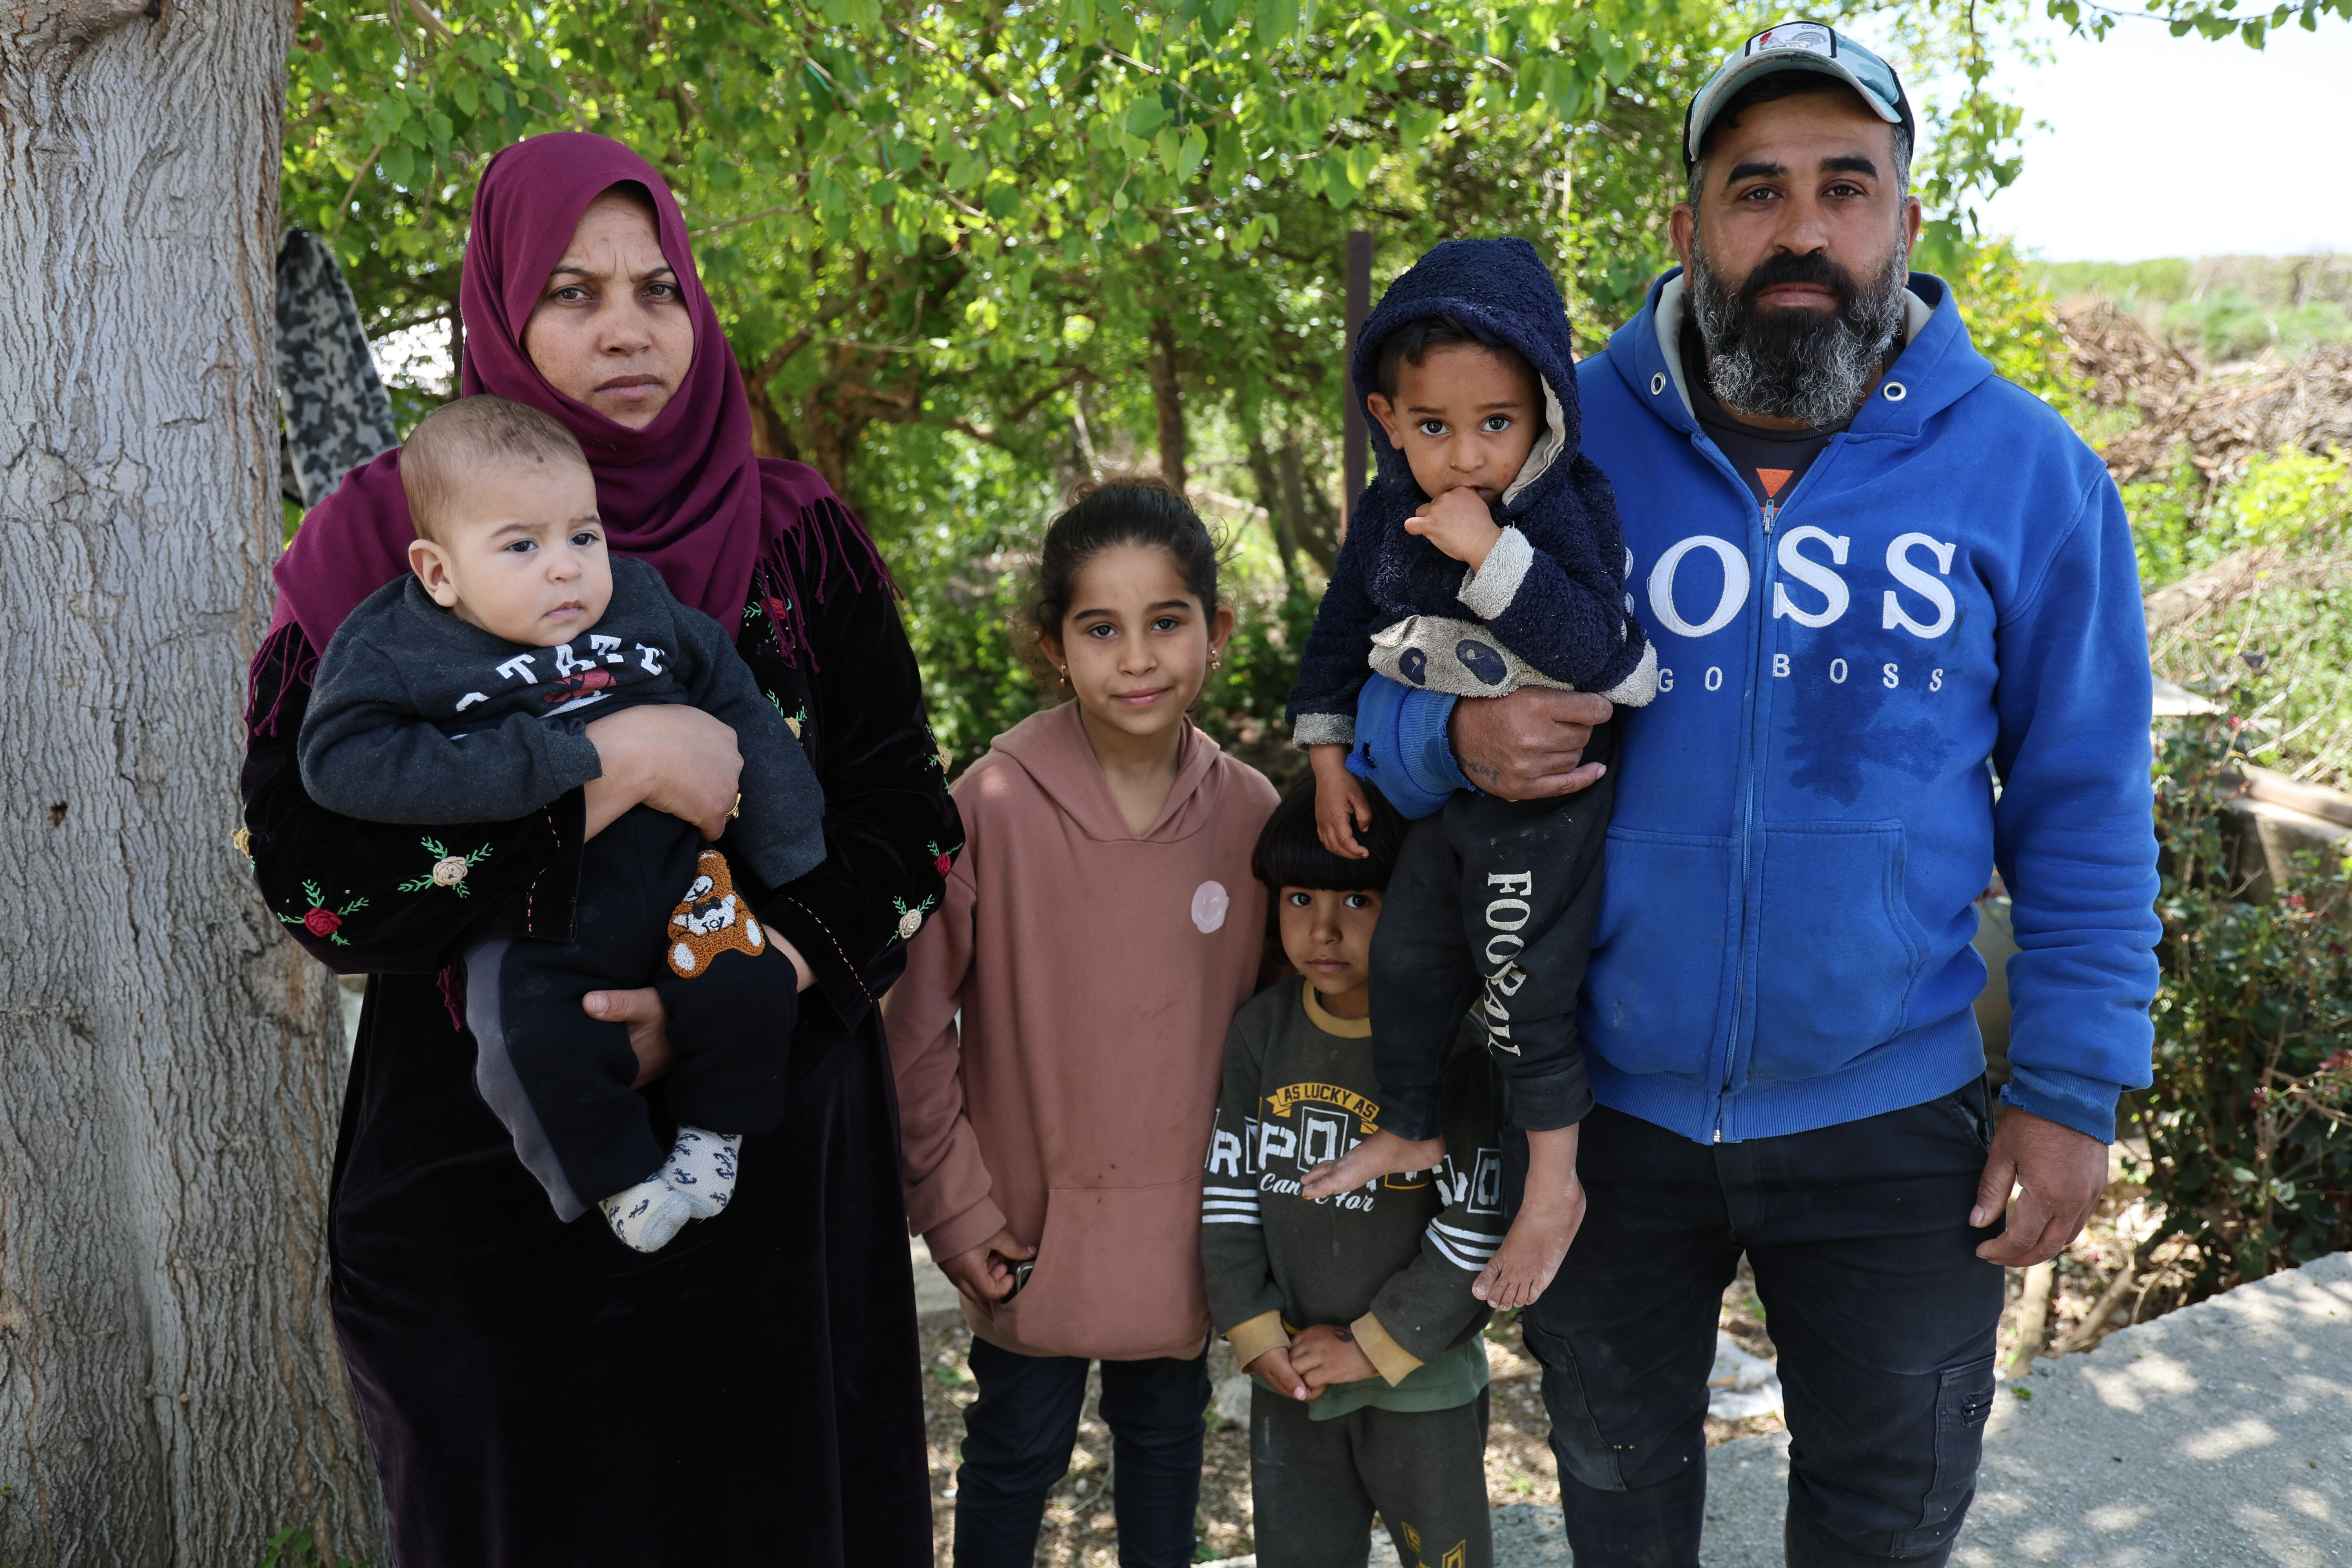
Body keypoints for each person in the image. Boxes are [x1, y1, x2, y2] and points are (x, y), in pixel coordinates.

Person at [1349, 23, 2160, 1567]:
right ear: (1688, 229)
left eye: (1846, 188)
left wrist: (2070, 1088)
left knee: (1886, 1518)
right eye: (1756, 188)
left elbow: (2086, 798)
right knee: (1618, 1499)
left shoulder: (2030, 475)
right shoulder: (1542, 444)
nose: (1802, 229)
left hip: (1897, 1111)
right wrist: (1454, 745)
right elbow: (1375, 700)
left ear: (1907, 222)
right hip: (1595, 1113)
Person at [242, 133, 955, 1564]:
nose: (626, 328)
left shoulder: (794, 534)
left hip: (764, 1173)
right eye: (572, 292)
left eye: (657, 289)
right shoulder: (386, 555)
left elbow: (906, 816)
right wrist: (605, 776)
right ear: (499, 309)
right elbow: (310, 869)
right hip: (487, 1194)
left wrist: (751, 971)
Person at [297, 396, 826, 1250]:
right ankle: (619, 1180)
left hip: (682, 874)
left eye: (584, 535)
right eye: (521, 545)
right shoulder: (398, 643)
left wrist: (789, 836)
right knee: (523, 1035)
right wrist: (560, 758)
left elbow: (728, 693)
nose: (566, 568)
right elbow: (342, 759)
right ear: (439, 572)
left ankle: (711, 1137)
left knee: (744, 978)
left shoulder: (641, 601)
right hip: (540, 905)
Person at [884, 481, 1279, 1568]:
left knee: (1168, 1444)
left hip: (1190, 1237)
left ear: (1217, 630)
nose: (1137, 658)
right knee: (1014, 1454)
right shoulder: (990, 806)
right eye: (1100, 629)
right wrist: (955, 1212)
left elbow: (1280, 1036)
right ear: (1052, 646)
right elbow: (912, 1032)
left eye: (1167, 622)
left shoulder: (1253, 816)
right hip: (1029, 1236)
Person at [1283, 238, 1655, 1310]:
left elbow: (1600, 649)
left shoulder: (1566, 505)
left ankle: (1554, 1186)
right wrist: (1325, 761)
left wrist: (1491, 554)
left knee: (1521, 988)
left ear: (1545, 411)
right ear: (1387, 418)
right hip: (1449, 794)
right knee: (1401, 959)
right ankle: (1409, 1124)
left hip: (1555, 796)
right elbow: (1336, 639)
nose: (1465, 457)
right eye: (1433, 427)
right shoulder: (1381, 516)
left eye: (1497, 424)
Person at [1203, 780, 1506, 1568]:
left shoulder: (1458, 1040)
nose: (1323, 928)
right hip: (1293, 1373)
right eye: (1300, 897)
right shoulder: (1261, 1031)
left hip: (1422, 1379)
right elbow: (1230, 1189)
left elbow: (1478, 1219)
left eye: (1359, 900)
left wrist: (1376, 1343)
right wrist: (1253, 1327)